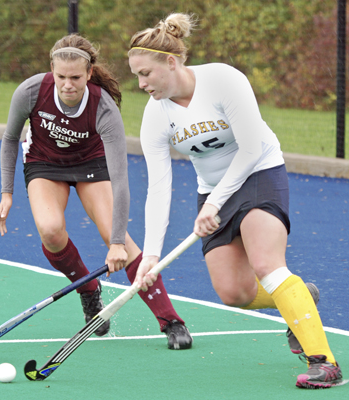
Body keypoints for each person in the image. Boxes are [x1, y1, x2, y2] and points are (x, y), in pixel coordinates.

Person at [128, 13, 342, 388]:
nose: (141, 83)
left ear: (171, 62)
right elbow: (158, 187)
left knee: (267, 264)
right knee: (234, 292)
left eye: (146, 73)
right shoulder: (155, 116)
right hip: (212, 189)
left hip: (259, 171)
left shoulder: (223, 80)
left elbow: (250, 148)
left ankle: (324, 363)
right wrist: (150, 256)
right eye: (136, 76)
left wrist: (214, 205)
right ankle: (298, 297)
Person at [0, 34, 192, 349]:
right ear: (51, 72)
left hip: (91, 165)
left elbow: (121, 178)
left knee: (122, 241)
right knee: (51, 231)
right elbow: (9, 138)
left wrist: (114, 242)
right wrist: (7, 193)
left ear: (88, 73)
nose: (67, 84)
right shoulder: (31, 92)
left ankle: (171, 321)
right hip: (45, 164)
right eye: (60, 77)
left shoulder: (103, 107)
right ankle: (88, 291)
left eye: (75, 77)